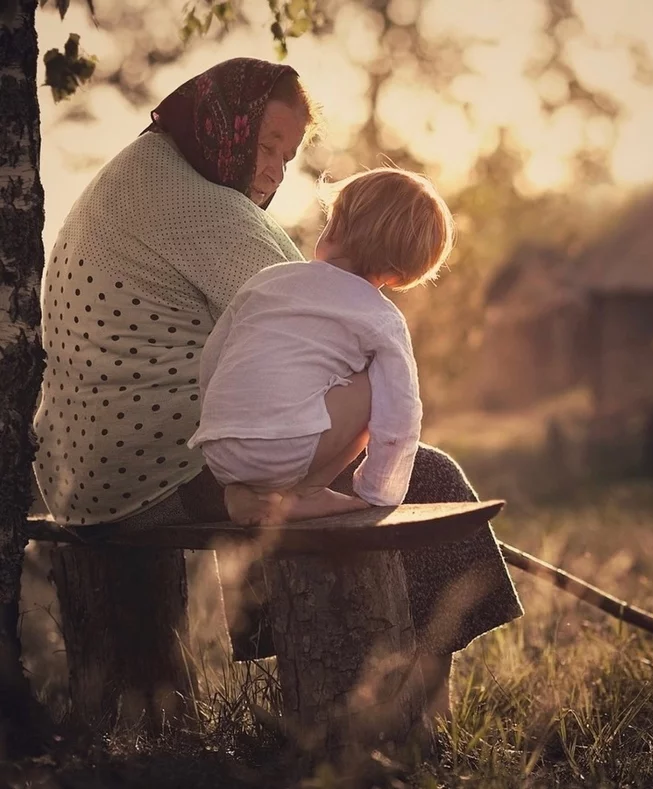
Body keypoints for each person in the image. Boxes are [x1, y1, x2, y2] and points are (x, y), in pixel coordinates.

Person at [32, 57, 522, 717]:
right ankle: (410, 704)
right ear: (224, 124)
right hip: (155, 475)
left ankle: (377, 678)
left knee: (310, 447)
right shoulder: (207, 211)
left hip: (83, 472)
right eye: (266, 145)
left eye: (287, 157)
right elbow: (326, 323)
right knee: (424, 474)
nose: (273, 169)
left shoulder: (141, 173)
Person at [188, 167, 454, 527]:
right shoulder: (381, 318)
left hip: (219, 449)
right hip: (285, 450)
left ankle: (243, 493)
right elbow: (401, 413)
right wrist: (379, 493)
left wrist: (219, 422)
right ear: (399, 274)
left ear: (333, 227)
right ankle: (305, 491)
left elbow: (213, 359)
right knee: (379, 386)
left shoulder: (267, 281)